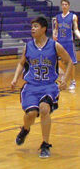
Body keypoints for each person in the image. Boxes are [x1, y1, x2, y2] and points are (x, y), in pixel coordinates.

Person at [11, 17, 73, 158]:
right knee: (31, 114)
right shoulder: (28, 46)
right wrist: (15, 79)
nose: (32, 28)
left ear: (44, 29)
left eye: (36, 26)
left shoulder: (54, 45)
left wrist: (65, 79)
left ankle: (45, 144)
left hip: (49, 86)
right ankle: (25, 129)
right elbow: (21, 63)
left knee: (44, 109)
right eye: (32, 26)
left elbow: (69, 61)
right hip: (31, 86)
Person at [53, 0, 80, 90]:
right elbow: (56, 29)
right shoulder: (57, 17)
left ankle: (73, 81)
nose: (64, 6)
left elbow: (75, 29)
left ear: (68, 6)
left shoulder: (73, 16)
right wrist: (54, 35)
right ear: (61, 6)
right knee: (59, 62)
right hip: (60, 43)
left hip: (69, 42)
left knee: (71, 62)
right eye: (63, 4)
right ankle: (63, 78)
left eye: (66, 4)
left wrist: (79, 36)